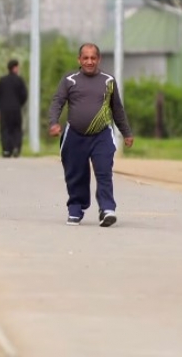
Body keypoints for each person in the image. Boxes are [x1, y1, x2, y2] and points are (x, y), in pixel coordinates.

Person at [48, 43, 134, 227]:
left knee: (104, 171)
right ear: (79, 60)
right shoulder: (70, 80)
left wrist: (126, 132)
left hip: (101, 135)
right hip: (75, 135)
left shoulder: (108, 81)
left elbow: (117, 109)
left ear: (99, 59)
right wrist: (53, 122)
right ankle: (76, 208)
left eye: (93, 58)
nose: (89, 61)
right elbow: (57, 102)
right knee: (76, 173)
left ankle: (107, 209)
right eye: (85, 58)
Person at [0, 59, 28, 158]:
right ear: (15, 68)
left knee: (5, 129)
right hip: (16, 108)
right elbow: (24, 95)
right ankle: (16, 147)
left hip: (4, 109)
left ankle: (6, 150)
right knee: (16, 129)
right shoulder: (19, 80)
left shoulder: (2, 80)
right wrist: (19, 104)